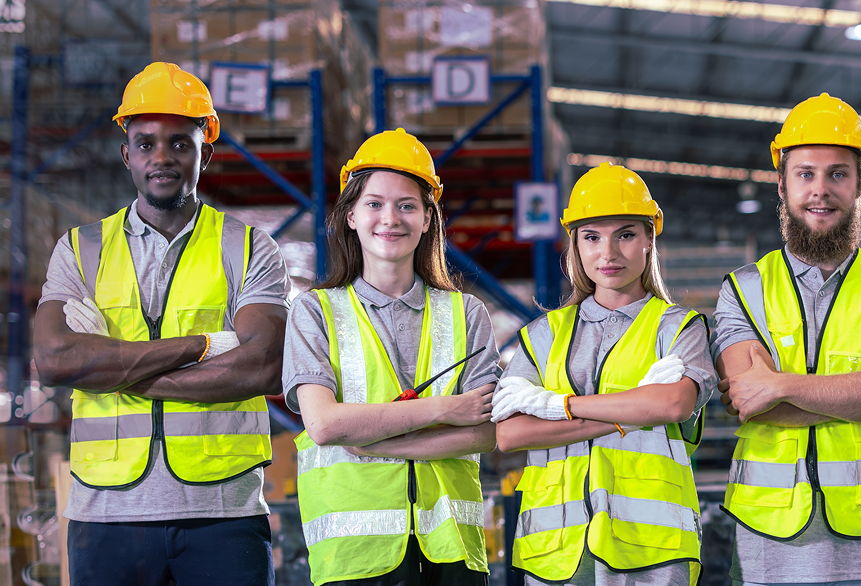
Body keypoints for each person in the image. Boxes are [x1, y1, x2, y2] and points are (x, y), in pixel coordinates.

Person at [32, 62, 290, 586]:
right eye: (146, 143)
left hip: (223, 512)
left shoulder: (248, 247)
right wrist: (200, 345)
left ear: (204, 154)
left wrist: (112, 369)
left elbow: (263, 366)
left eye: (179, 143)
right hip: (105, 515)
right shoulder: (80, 249)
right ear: (126, 154)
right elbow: (55, 360)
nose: (162, 157)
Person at [712, 93, 861, 586]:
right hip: (771, 545)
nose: (820, 190)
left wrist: (782, 385)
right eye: (805, 174)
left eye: (837, 174)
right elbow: (751, 400)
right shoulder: (743, 290)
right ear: (782, 183)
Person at [282, 128, 501, 585]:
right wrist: (445, 409)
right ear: (351, 216)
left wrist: (375, 439)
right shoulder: (315, 311)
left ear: (427, 219)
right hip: (355, 555)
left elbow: (486, 431)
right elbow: (324, 425)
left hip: (452, 551)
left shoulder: (467, 313)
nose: (390, 218)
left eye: (406, 205)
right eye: (374, 204)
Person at [493, 162, 716, 586]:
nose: (608, 253)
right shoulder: (543, 334)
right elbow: (510, 433)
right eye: (592, 237)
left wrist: (554, 406)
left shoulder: (678, 327)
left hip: (650, 549)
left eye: (625, 235)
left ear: (649, 239)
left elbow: (673, 404)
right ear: (575, 245)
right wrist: (634, 409)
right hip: (556, 551)